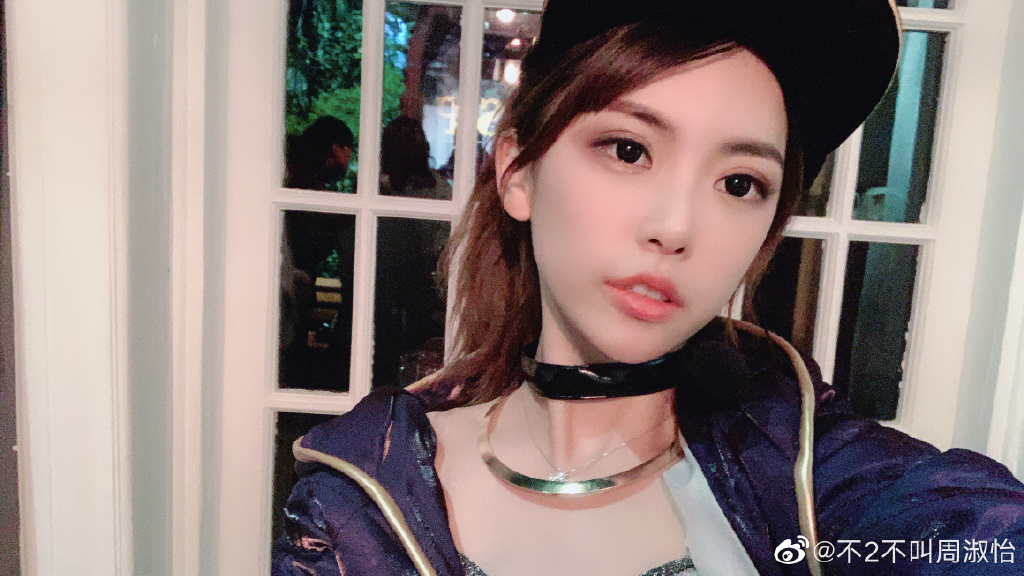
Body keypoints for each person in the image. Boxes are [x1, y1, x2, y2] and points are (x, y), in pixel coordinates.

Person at [272, 1, 1024, 575]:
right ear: (518, 171)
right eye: (629, 150)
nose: (676, 227)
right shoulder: (357, 503)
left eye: (739, 183)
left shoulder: (800, 472)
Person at [286, 115, 355, 191]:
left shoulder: (288, 159)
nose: (348, 161)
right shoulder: (307, 184)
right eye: (349, 154)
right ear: (336, 148)